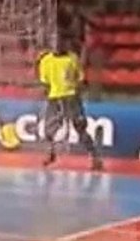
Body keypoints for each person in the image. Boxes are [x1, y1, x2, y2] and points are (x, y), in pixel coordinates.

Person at [38, 34, 103, 171]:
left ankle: (95, 157)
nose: (58, 46)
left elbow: (80, 79)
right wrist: (49, 97)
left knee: (80, 127)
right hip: (55, 98)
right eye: (55, 44)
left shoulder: (72, 58)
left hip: (71, 97)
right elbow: (45, 82)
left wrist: (77, 96)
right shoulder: (45, 61)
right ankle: (50, 154)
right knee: (49, 129)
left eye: (61, 43)